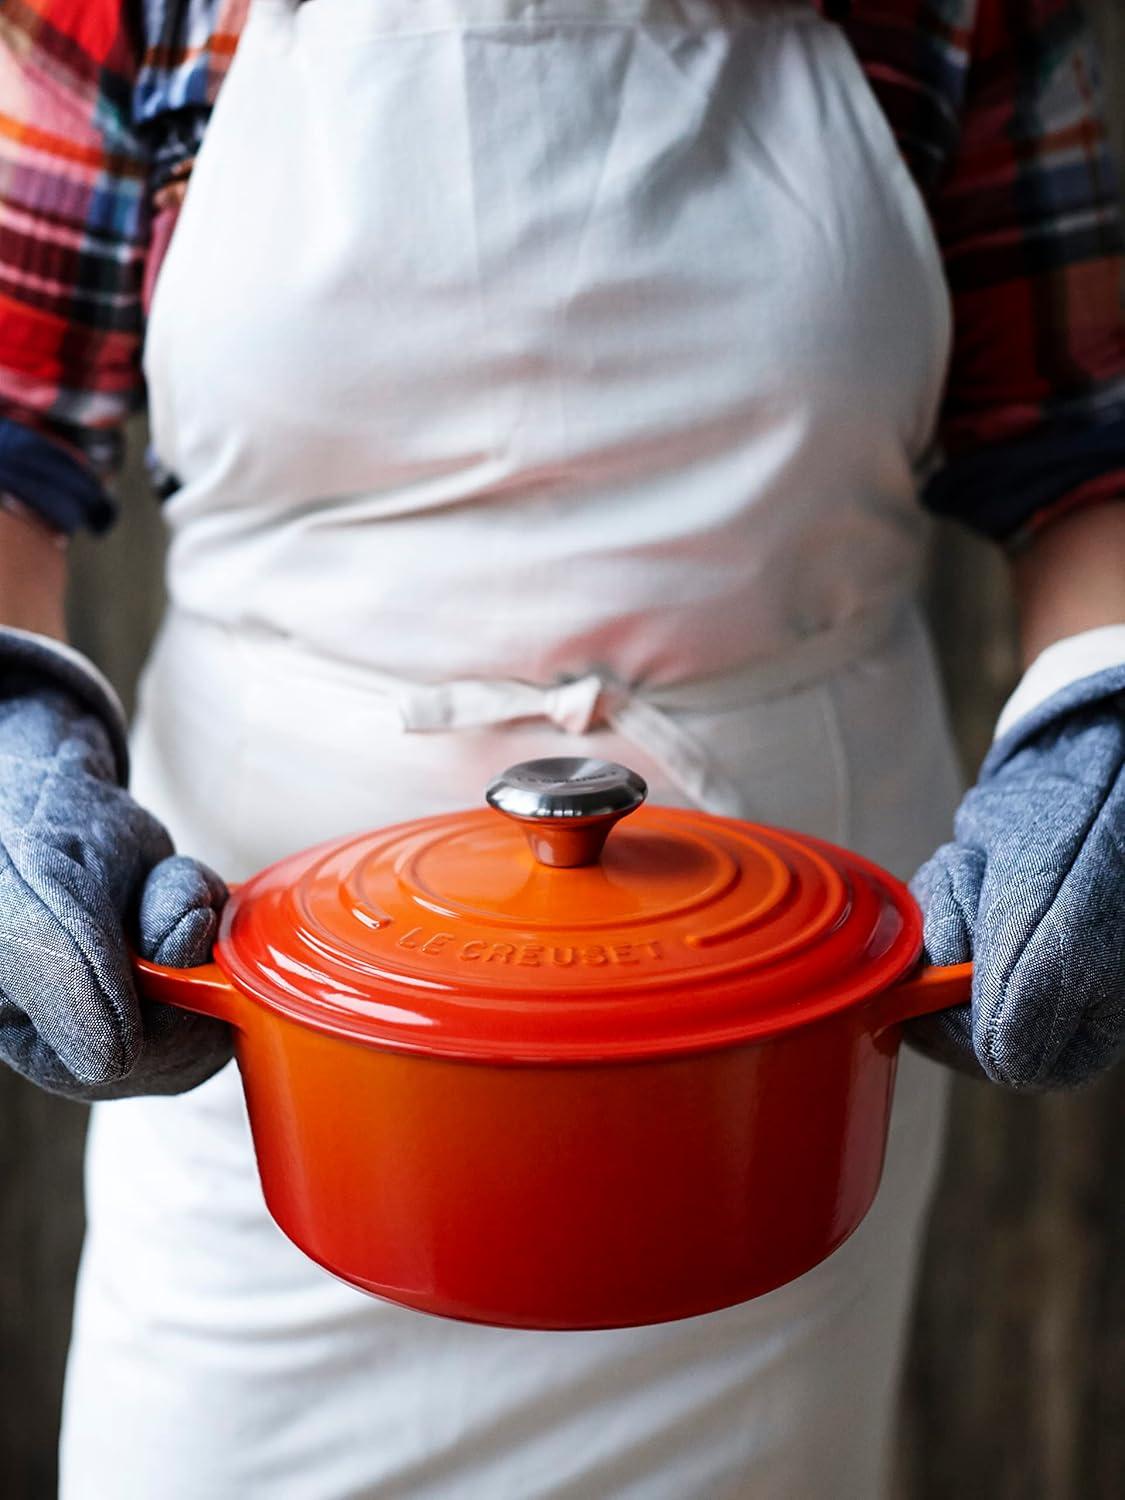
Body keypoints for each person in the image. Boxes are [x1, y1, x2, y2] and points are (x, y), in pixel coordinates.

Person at [0, 0, 1122, 1494]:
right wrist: (14, 740)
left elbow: (1085, 442)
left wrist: (1095, 725)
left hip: (770, 1084)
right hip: (267, 1049)